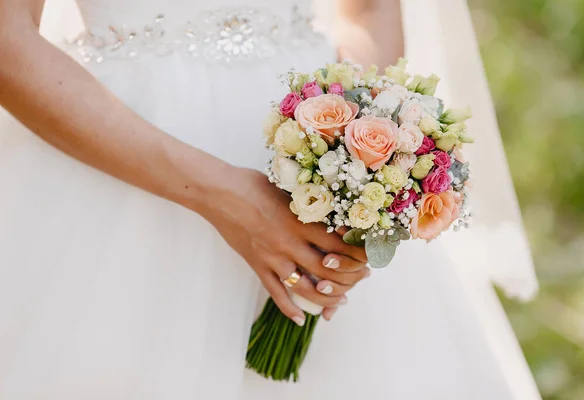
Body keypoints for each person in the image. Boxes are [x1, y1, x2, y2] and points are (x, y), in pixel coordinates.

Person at [0, 0, 541, 399]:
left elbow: (371, 10)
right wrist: (224, 196)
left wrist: (353, 156)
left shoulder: (338, 154)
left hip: (311, 136)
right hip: (125, 158)